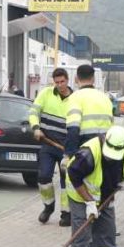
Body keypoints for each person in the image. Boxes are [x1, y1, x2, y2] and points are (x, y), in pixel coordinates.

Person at [28, 68, 74, 226]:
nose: (60, 85)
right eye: (57, 82)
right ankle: (48, 207)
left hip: (66, 149)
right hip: (47, 144)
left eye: (62, 81)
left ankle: (66, 214)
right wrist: (35, 127)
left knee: (65, 181)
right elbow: (33, 112)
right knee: (43, 177)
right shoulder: (46, 94)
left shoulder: (75, 99)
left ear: (68, 80)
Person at [63, 64, 113, 160]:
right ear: (93, 79)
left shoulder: (75, 97)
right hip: (105, 147)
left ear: (76, 78)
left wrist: (69, 155)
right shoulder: (105, 98)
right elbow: (111, 126)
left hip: (85, 148)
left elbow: (73, 129)